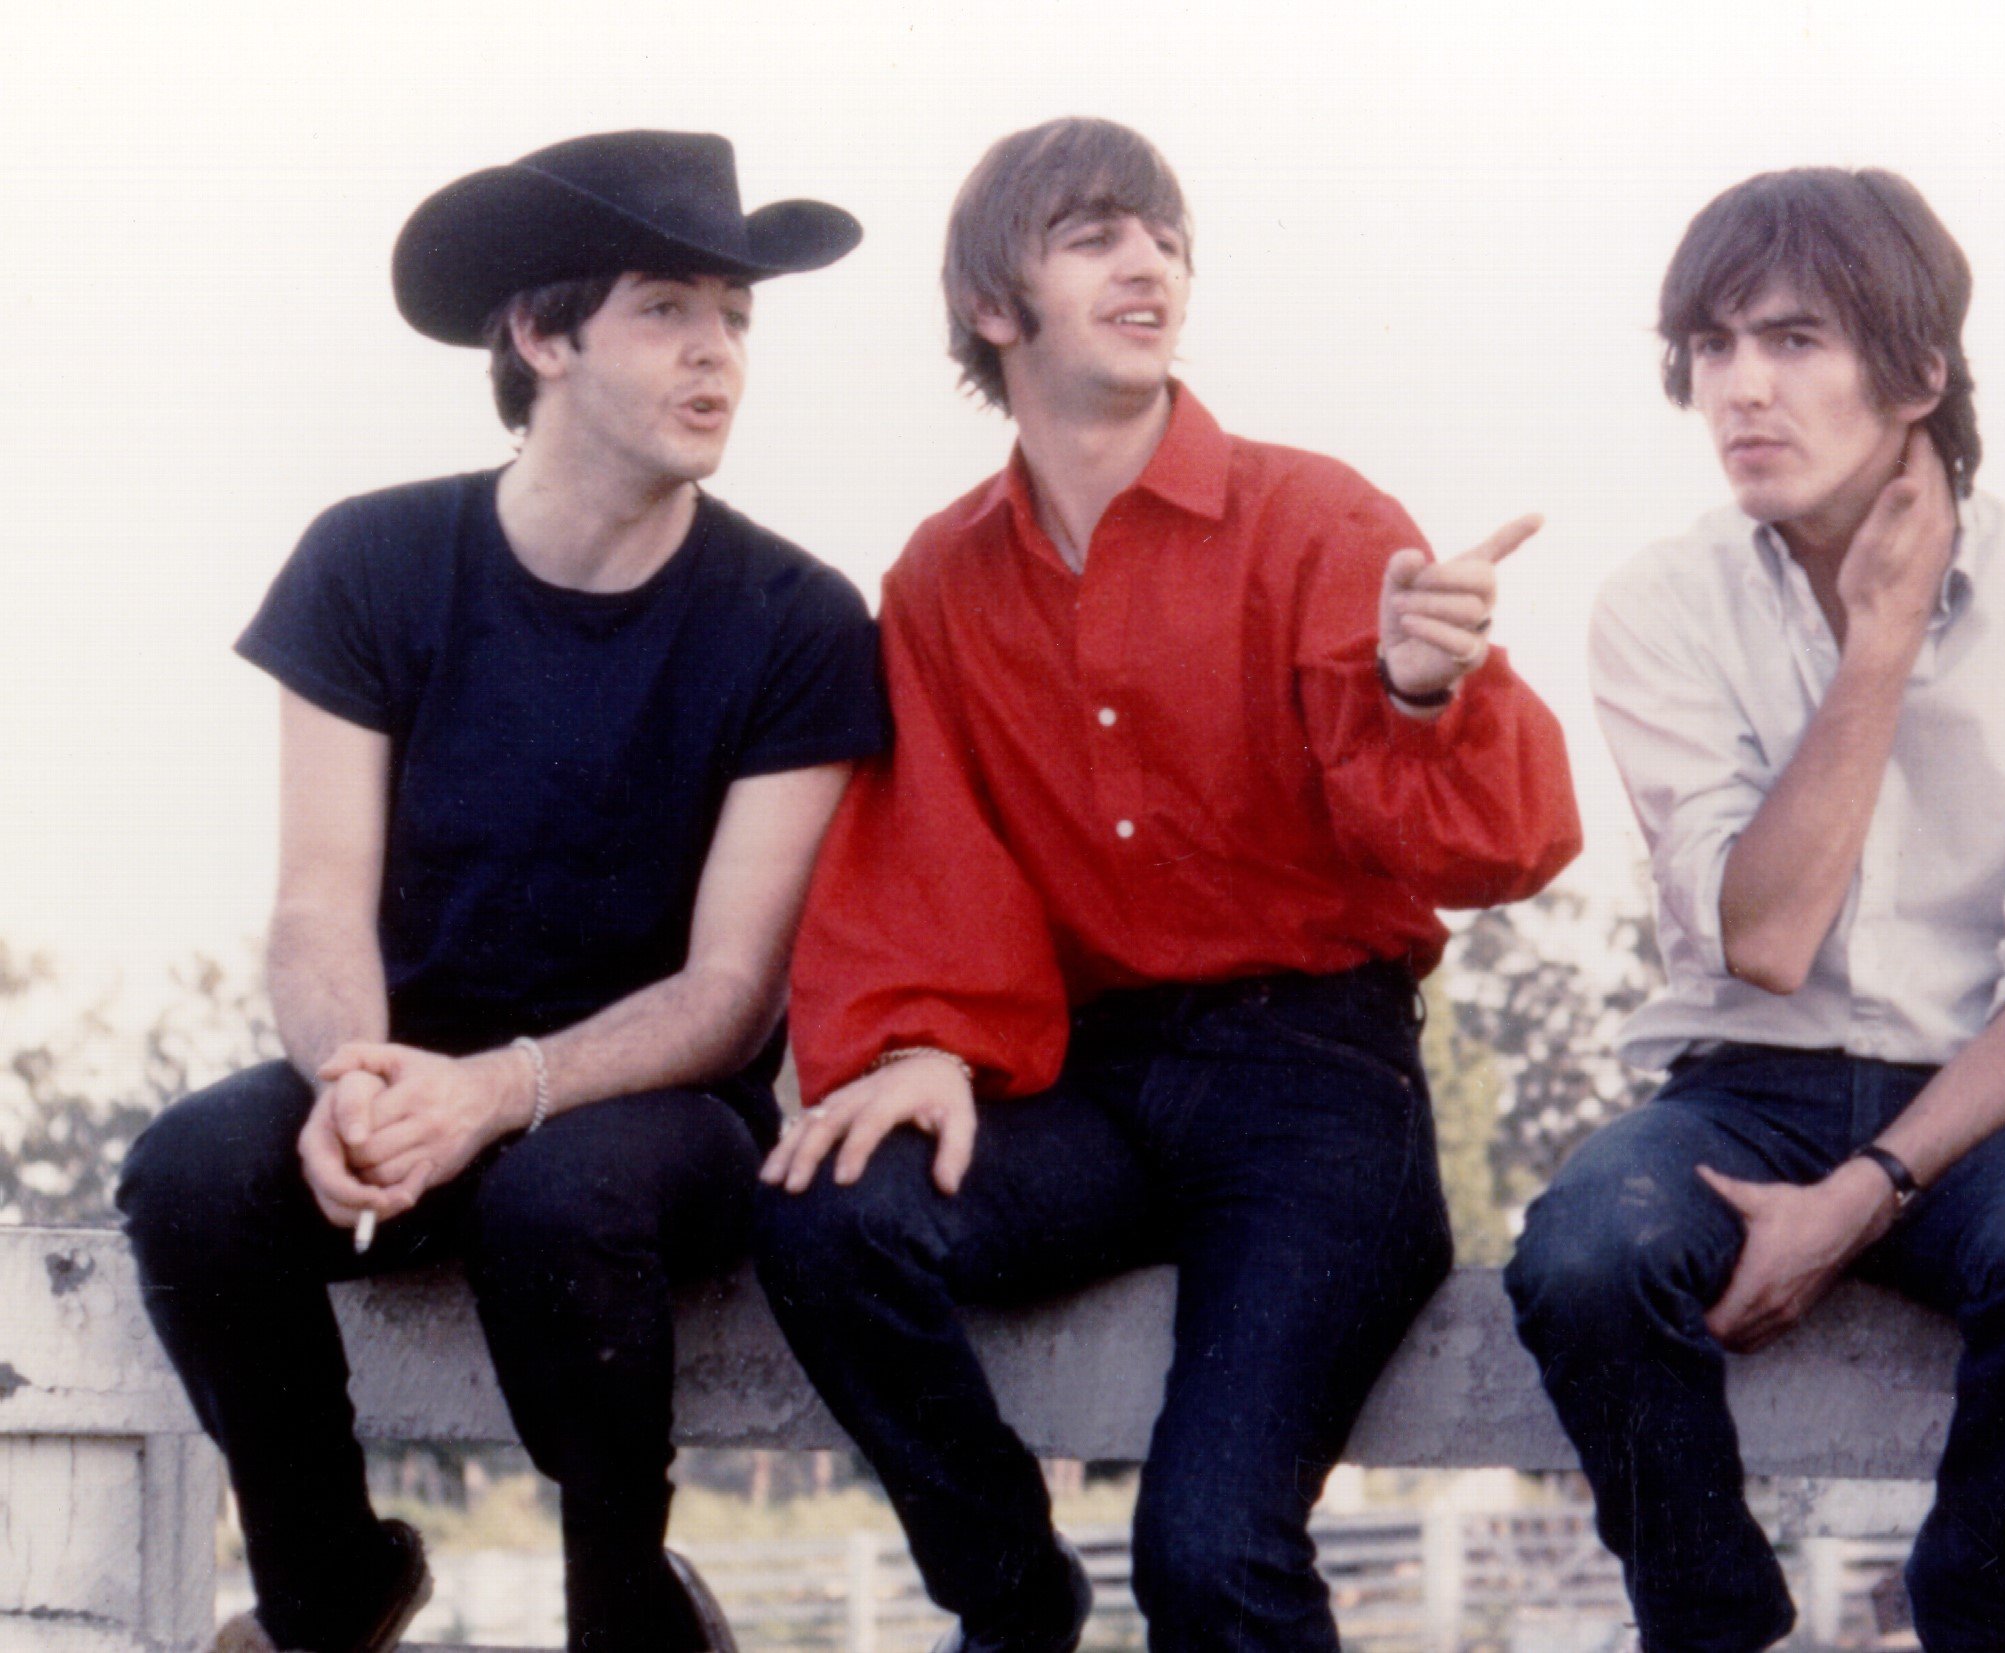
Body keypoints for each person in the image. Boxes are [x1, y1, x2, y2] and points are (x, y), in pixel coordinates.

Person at [754, 116, 1581, 1653]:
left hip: (1320, 1087)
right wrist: (922, 1040)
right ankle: (1013, 1598)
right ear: (996, 307)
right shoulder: (940, 580)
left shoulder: (1323, 520)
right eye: (1095, 235)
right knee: (825, 1215)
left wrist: (1420, 693)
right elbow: (929, 846)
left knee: (1206, 1550)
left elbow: (1506, 850)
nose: (1150, 262)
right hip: (1092, 1084)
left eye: (1167, 236)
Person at [116, 131, 880, 1653]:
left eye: (736, 315)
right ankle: (331, 1589)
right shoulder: (372, 561)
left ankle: (627, 1610)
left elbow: (731, 992)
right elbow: (321, 903)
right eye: (670, 307)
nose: (719, 352)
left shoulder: (799, 619)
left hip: (657, 1112)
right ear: (540, 336)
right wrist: (350, 1077)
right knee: (192, 1173)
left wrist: (498, 1093)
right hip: (405, 1064)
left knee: (558, 1190)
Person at [1505, 167, 2005, 1653]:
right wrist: (1878, 652)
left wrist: (1866, 1188)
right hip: (1741, 1085)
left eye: (1796, 340)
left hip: (1979, 1101)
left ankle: (1982, 1613)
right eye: (1718, 347)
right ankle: (1715, 1623)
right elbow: (1766, 938)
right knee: (1583, 1255)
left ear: (1918, 371)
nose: (1743, 388)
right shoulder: (1660, 603)